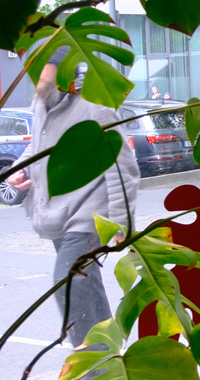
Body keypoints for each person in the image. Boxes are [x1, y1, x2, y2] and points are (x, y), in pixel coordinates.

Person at [5, 62, 139, 349]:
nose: (36, 76)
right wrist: (22, 169)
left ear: (62, 68)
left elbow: (122, 166)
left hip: (89, 214)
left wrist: (120, 222)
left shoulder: (94, 103)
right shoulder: (42, 101)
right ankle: (108, 358)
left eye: (43, 68)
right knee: (85, 284)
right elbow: (40, 144)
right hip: (56, 212)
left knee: (68, 282)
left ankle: (87, 368)